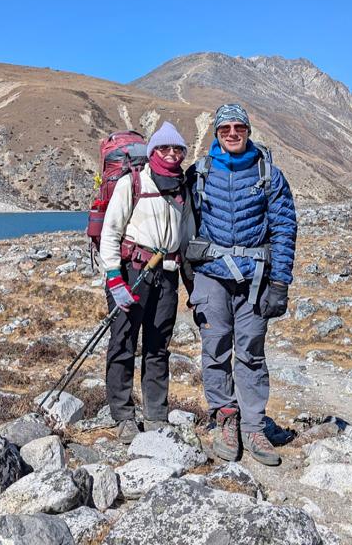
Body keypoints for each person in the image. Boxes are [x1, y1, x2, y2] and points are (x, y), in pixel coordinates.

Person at [185, 103, 296, 465]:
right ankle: (225, 418)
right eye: (225, 128)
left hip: (256, 279)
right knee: (214, 349)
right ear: (215, 133)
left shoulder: (269, 175)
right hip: (211, 276)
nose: (232, 133)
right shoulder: (199, 173)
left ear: (248, 131)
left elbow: (284, 229)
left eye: (239, 127)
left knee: (251, 352)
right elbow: (182, 223)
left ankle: (253, 426)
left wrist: (279, 283)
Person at [99, 121, 193, 443]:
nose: (171, 153)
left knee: (158, 346)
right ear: (152, 152)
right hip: (131, 272)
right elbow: (110, 231)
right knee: (123, 342)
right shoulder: (133, 182)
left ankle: (155, 414)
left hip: (166, 275)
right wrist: (113, 277)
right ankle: (123, 414)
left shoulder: (182, 188)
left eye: (177, 149)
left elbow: (187, 237)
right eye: (164, 148)